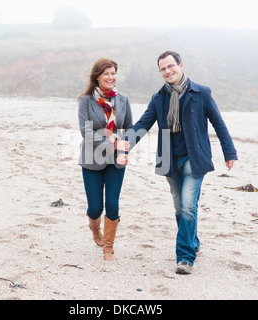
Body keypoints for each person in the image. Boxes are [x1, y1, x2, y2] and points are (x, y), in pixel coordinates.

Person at [124, 51, 237, 274]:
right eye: (163, 69)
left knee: (187, 205)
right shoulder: (159, 98)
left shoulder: (201, 93)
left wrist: (229, 152)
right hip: (169, 159)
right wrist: (126, 142)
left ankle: (185, 257)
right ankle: (192, 241)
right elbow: (143, 124)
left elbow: (218, 123)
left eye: (171, 66)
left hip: (194, 158)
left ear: (181, 65)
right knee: (179, 207)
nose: (167, 71)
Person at [78, 58, 132, 261]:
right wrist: (112, 144)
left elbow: (128, 128)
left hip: (115, 161)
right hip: (91, 159)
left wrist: (124, 150)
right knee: (95, 207)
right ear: (97, 77)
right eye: (106, 73)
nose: (111, 77)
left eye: (113, 73)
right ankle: (95, 230)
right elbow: (86, 131)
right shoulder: (86, 100)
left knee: (112, 204)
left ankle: (108, 247)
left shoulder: (122, 100)